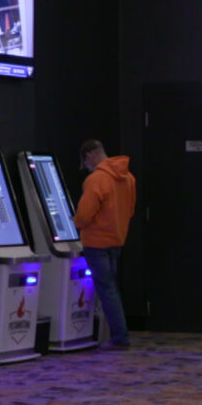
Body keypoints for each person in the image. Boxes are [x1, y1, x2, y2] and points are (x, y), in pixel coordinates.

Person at [73, 139, 136, 349]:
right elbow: (131, 210)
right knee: (111, 289)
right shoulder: (128, 178)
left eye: (86, 162)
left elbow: (84, 215)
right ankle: (116, 335)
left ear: (90, 155)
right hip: (117, 240)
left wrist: (73, 223)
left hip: (96, 242)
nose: (87, 167)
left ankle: (120, 338)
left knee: (106, 290)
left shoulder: (96, 179)